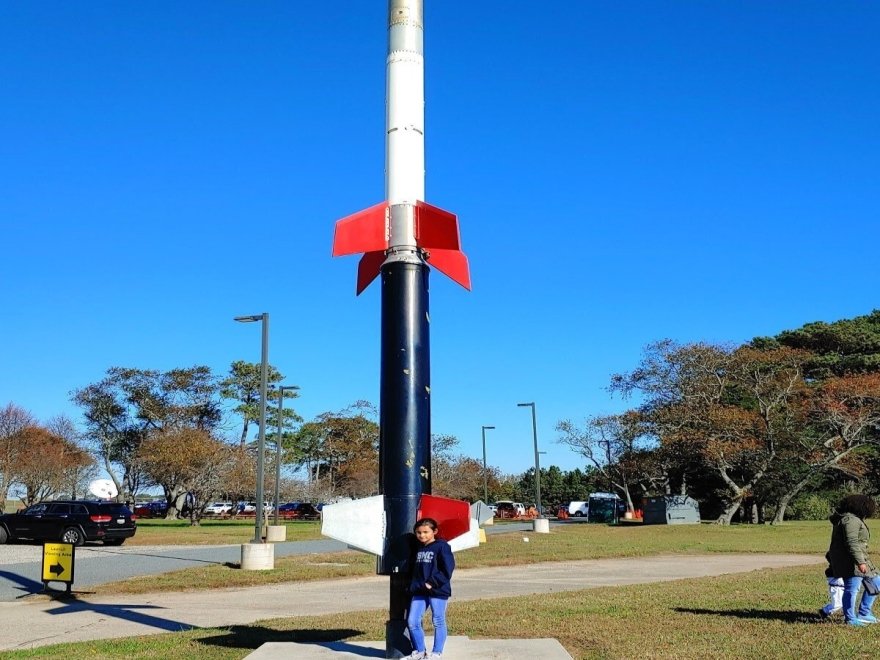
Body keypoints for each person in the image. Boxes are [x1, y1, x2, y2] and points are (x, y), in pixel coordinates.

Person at [826, 494, 878, 626]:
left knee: (876, 582)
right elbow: (852, 542)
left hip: (861, 558)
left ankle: (864, 613)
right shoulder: (850, 520)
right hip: (851, 561)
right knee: (852, 588)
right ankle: (850, 618)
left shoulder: (853, 519)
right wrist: (860, 562)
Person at [407, 518, 455, 660]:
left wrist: (431, 583)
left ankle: (436, 653)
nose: (422, 535)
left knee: (438, 620)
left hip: (437, 591)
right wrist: (415, 586)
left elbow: (448, 569)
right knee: (412, 621)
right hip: (419, 591)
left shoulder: (442, 546)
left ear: (434, 532)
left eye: (426, 532)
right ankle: (420, 651)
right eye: (418, 532)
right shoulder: (418, 548)